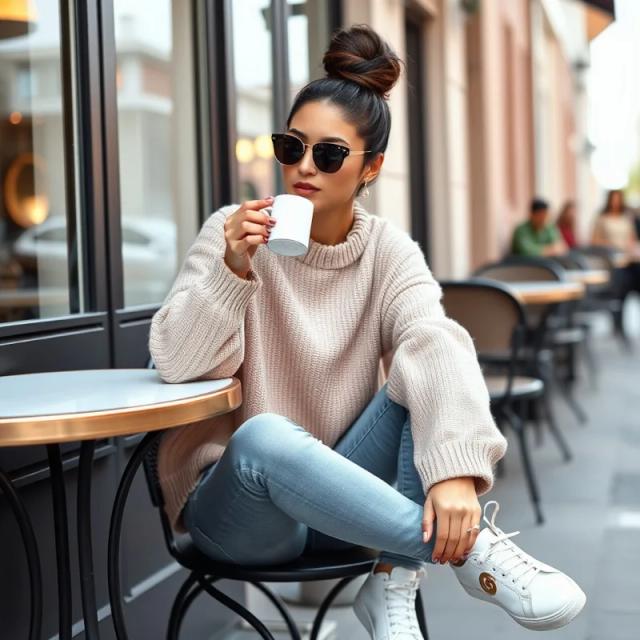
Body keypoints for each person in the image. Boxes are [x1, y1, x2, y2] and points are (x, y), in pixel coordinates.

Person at [149, 25, 585, 638]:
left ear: (370, 168)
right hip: (237, 508)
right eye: (290, 146)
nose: (302, 167)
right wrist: (233, 271)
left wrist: (454, 473)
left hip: (344, 503)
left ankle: (391, 582)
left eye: (327, 155)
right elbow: (173, 362)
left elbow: (435, 341)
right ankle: (467, 550)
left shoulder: (387, 250)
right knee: (266, 436)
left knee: (426, 363)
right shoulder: (233, 233)